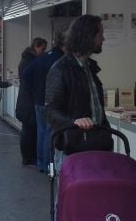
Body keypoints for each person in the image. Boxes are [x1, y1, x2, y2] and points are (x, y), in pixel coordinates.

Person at [45, 15, 107, 171]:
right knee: (72, 193)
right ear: (88, 36)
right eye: (100, 34)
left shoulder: (89, 68)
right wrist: (73, 122)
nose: (103, 39)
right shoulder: (61, 69)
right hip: (73, 146)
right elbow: (50, 111)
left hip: (95, 143)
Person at [22, 32, 65, 172]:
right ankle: (48, 165)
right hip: (50, 102)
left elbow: (26, 75)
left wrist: (33, 91)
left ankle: (41, 162)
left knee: (41, 132)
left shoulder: (41, 59)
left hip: (38, 101)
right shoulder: (60, 60)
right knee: (50, 132)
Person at [16, 37, 48, 166]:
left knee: (28, 129)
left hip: (25, 100)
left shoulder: (25, 60)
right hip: (29, 101)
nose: (44, 52)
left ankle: (28, 157)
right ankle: (29, 158)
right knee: (30, 130)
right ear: (36, 47)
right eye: (43, 49)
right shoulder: (31, 62)